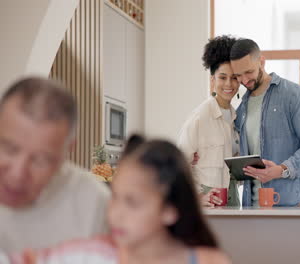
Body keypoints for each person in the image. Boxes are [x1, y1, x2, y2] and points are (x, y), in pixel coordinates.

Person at [6, 135, 231, 264]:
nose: (115, 213)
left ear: (170, 210)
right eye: (115, 197)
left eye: (132, 202)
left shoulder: (210, 262)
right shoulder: (87, 256)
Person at [0, 77, 110, 253]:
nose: (17, 174)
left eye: (40, 160)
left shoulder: (95, 204)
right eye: (9, 149)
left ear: (67, 151)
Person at [229, 38, 300, 207]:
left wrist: (282, 170)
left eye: (249, 72)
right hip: (254, 208)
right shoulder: (241, 109)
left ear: (262, 61)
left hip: (296, 206)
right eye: (238, 75)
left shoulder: (294, 95)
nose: (244, 80)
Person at [178, 35, 241, 207]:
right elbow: (177, 168)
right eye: (222, 77)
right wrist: (197, 198)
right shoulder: (200, 117)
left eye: (234, 77)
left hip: (233, 200)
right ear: (212, 80)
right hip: (208, 205)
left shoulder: (238, 117)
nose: (229, 83)